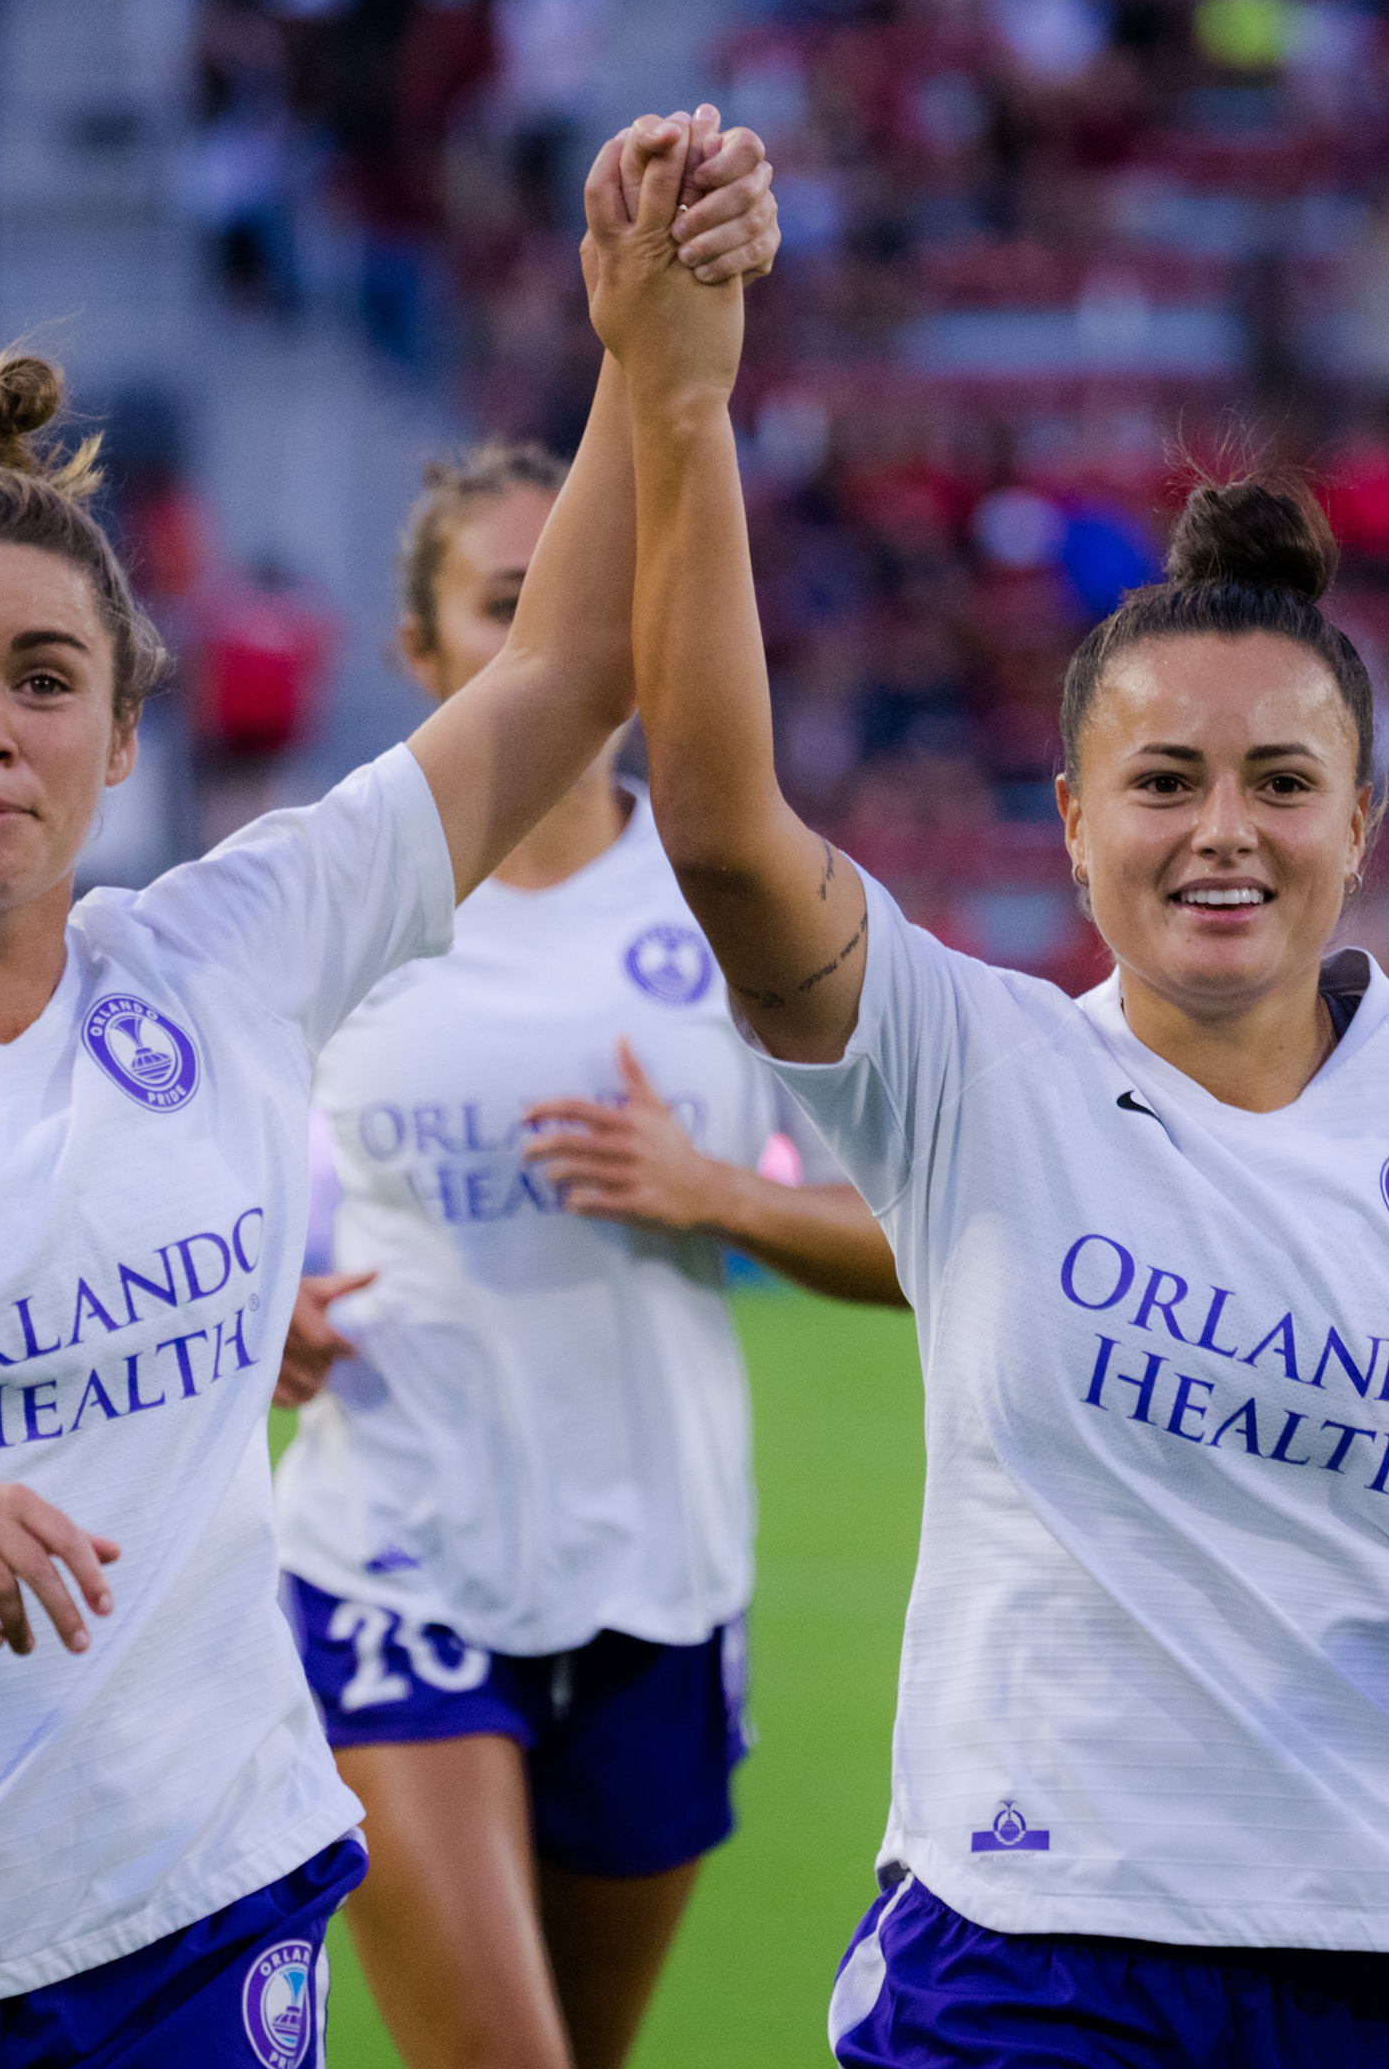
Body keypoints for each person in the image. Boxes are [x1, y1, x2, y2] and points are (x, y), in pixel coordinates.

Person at [0, 113, 779, 2069]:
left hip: (195, 1901)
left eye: (46, 678)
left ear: (126, 730)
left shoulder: (233, 948)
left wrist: (652, 357)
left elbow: (563, 672)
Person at [606, 138, 1389, 2058]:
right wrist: (679, 404)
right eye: (1163, 782)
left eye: (1281, 782)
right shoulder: (975, 1066)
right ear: (1074, 823)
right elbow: (727, 834)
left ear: (1365, 821)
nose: (1222, 830)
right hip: (1029, 1941)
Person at [269, 435, 897, 2069]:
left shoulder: (731, 888)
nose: (563, 635)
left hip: (660, 1577)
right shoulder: (333, 896)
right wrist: (255, 1306)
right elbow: (156, 1174)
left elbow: (949, 1233)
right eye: (510, 601)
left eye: (593, 596)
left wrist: (724, 1194)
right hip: (393, 1557)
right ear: (420, 651)